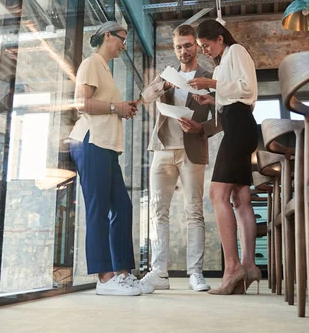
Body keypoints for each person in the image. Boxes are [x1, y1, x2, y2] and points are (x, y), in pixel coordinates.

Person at [69, 21, 154, 296]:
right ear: (108, 36)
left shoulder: (105, 69)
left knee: (122, 207)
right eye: (122, 39)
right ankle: (104, 278)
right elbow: (82, 103)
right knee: (98, 210)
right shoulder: (91, 63)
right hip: (90, 141)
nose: (124, 45)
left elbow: (106, 106)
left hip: (106, 146)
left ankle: (123, 273)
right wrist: (116, 107)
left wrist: (122, 108)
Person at [138, 24, 222, 291]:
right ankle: (159, 273)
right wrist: (164, 83)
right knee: (158, 212)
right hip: (162, 148)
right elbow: (145, 97)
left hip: (192, 149)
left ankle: (195, 273)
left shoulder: (209, 76)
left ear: (196, 46)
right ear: (173, 49)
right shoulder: (167, 75)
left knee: (194, 212)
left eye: (187, 45)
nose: (183, 51)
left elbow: (221, 117)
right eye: (178, 46)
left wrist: (202, 129)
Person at [187, 19, 260, 295]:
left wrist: (212, 82)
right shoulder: (224, 61)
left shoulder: (236, 51)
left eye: (206, 45)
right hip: (238, 124)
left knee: (217, 194)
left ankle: (232, 268)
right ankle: (249, 265)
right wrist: (214, 99)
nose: (204, 50)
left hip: (241, 126)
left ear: (219, 38)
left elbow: (247, 91)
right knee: (240, 198)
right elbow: (233, 98)